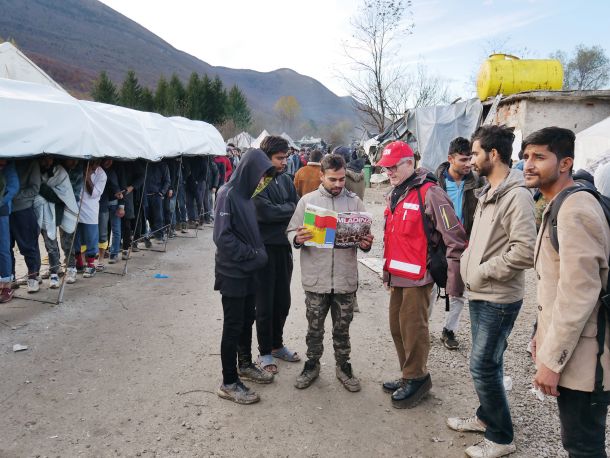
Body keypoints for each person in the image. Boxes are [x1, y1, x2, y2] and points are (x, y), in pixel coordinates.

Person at [447, 125, 536, 458]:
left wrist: (481, 271)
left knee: (482, 365)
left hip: (498, 297)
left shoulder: (517, 195)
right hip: (481, 292)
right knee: (489, 363)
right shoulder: (489, 190)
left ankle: (501, 437)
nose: (471, 159)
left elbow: (524, 251)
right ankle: (486, 418)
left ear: (493, 155)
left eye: (476, 153)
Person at [523, 127, 610, 458]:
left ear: (565, 163)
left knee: (583, 447)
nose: (529, 164)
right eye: (527, 156)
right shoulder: (557, 204)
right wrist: (538, 332)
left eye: (539, 157)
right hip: (573, 351)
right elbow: (554, 283)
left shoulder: (575, 209)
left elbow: (580, 294)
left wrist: (552, 361)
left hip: (585, 359)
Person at [379, 141, 467, 408]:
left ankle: (417, 377)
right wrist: (386, 273)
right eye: (386, 168)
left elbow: (455, 237)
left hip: (420, 277)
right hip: (398, 274)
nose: (389, 172)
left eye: (393, 167)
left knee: (414, 329)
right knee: (397, 328)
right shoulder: (396, 192)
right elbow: (392, 237)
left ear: (409, 163)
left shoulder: (430, 193)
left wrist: (455, 282)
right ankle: (408, 373)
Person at [287, 154, 374, 392]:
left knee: (342, 328)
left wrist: (366, 243)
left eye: (341, 179)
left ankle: (343, 366)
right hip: (316, 279)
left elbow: (365, 237)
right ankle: (312, 364)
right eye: (333, 179)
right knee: (314, 328)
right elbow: (291, 230)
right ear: (321, 176)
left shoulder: (354, 202)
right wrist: (297, 237)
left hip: (345, 280)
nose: (338, 184)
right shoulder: (307, 201)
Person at [213, 148, 276, 405]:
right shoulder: (226, 195)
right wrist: (251, 253)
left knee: (247, 318)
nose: (262, 181)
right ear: (249, 170)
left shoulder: (247, 196)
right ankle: (229, 381)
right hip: (233, 272)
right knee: (233, 325)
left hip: (250, 271)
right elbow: (222, 237)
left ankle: (245, 364)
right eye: (261, 175)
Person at [253, 136, 300, 373]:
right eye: (279, 158)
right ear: (266, 157)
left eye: (286, 157)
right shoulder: (259, 181)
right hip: (263, 250)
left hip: (284, 247)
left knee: (283, 300)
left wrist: (285, 210)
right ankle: (264, 352)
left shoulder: (287, 180)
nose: (284, 162)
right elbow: (263, 213)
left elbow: (297, 207)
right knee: (265, 303)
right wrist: (288, 210)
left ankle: (277, 345)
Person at [433, 137, 483, 349]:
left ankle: (449, 330)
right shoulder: (435, 184)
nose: (468, 163)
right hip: (437, 243)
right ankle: (420, 327)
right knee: (430, 286)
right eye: (463, 159)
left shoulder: (478, 182)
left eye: (471, 158)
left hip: (465, 245)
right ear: (450, 159)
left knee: (458, 291)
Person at [35, 157, 78, 287]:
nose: (47, 163)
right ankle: (54, 271)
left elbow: (59, 196)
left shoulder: (60, 172)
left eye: (49, 160)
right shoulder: (36, 172)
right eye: (44, 160)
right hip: (43, 212)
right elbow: (34, 189)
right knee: (50, 245)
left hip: (62, 211)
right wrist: (42, 190)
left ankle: (71, 268)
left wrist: (41, 188)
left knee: (67, 242)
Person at [10, 159, 42, 293]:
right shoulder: (7, 161)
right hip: (5, 210)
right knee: (5, 247)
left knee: (28, 246)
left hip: (23, 210)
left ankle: (33, 277)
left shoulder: (31, 162)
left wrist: (12, 194)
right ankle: (10, 279)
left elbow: (34, 188)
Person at [76, 160, 107, 278]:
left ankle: (90, 265)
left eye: (95, 163)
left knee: (91, 238)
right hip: (76, 207)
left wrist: (87, 177)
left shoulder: (102, 174)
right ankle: (79, 263)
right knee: (76, 238)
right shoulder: (79, 168)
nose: (93, 165)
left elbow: (94, 193)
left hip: (90, 210)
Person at [0, 159, 19, 303]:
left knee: (3, 248)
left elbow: (13, 188)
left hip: (3, 212)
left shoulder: (9, 168)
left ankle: (6, 285)